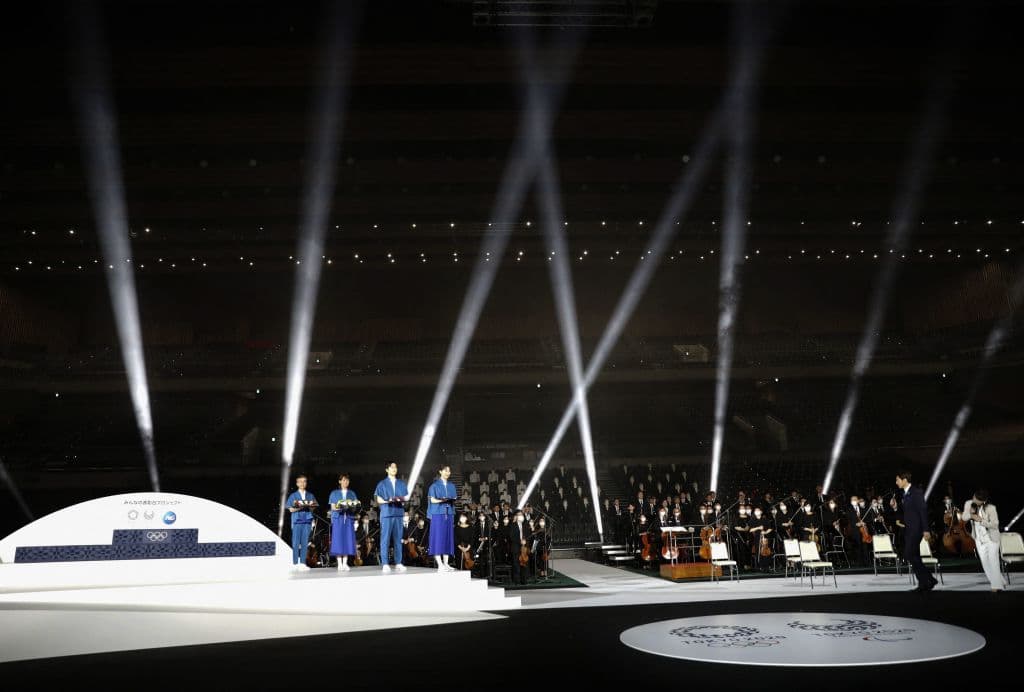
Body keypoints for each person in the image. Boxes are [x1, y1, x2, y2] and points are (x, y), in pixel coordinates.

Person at [896, 471, 938, 592]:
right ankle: (925, 582)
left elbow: (922, 511)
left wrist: (926, 529)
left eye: (898, 480)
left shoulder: (916, 492)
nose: (896, 482)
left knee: (909, 554)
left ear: (904, 480)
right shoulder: (904, 494)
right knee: (914, 556)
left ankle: (928, 580)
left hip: (917, 529)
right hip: (909, 529)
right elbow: (908, 511)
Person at [964, 490, 1006, 592]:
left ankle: (996, 586)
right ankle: (1000, 582)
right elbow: (964, 517)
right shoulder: (968, 503)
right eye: (974, 498)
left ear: (983, 501)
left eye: (977, 500)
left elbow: (995, 525)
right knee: (985, 562)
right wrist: (970, 514)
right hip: (979, 538)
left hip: (991, 538)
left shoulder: (991, 508)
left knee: (993, 561)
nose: (974, 500)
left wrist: (981, 520)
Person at [374, 461, 410, 573]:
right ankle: (385, 563)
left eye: (395, 467)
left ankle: (398, 562)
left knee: (398, 539)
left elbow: (406, 498)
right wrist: (387, 500)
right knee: (385, 539)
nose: (394, 469)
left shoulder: (401, 483)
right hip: (386, 514)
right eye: (392, 467)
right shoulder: (382, 484)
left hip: (398, 513)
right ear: (387, 469)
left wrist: (402, 500)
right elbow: (378, 499)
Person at [427, 465, 458, 572]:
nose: (447, 472)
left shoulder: (452, 486)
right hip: (437, 514)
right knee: (438, 538)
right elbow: (432, 500)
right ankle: (439, 564)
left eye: (449, 471)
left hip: (448, 513)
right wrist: (443, 500)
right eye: (445, 471)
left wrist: (449, 501)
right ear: (440, 471)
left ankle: (446, 563)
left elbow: (454, 499)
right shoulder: (434, 486)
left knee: (447, 538)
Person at [285, 474, 318, 569]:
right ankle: (295, 563)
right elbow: (290, 509)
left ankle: (303, 563)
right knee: (296, 543)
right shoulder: (293, 495)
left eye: (304, 481)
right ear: (297, 483)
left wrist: (311, 506)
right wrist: (300, 507)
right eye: (300, 481)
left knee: (304, 542)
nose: (303, 483)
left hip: (307, 520)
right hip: (296, 521)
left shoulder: (310, 495)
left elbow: (314, 507)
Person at [328, 473, 359, 571]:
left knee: (347, 540)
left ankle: (345, 563)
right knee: (338, 540)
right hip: (338, 518)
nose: (346, 482)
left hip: (349, 518)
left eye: (347, 480)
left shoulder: (352, 493)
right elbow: (333, 507)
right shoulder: (334, 493)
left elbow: (356, 505)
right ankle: (339, 563)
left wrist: (353, 507)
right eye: (344, 480)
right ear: (340, 481)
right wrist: (341, 506)